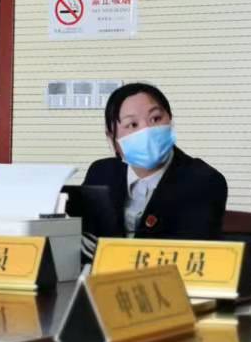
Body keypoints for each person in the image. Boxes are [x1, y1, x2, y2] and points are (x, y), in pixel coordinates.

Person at [75, 83, 228, 246]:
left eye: (155, 119)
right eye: (132, 124)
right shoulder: (100, 173)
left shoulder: (204, 180)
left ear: (170, 121)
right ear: (112, 137)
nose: (146, 130)